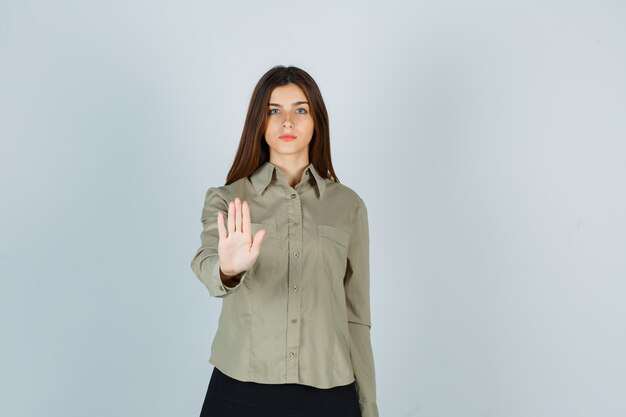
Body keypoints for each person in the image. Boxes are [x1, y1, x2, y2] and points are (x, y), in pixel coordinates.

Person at [190, 65, 379, 417]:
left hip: (329, 393)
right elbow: (205, 263)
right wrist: (228, 270)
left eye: (300, 110)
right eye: (273, 110)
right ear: (258, 123)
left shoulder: (348, 206)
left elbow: (356, 316)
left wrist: (367, 405)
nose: (287, 121)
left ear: (317, 121)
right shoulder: (227, 199)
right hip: (241, 390)